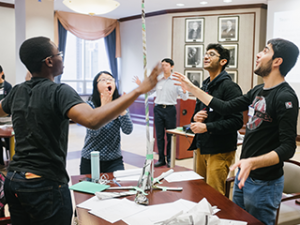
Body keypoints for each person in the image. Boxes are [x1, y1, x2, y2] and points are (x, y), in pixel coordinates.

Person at [0, 36, 162, 225]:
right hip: (44, 185)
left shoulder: (18, 91)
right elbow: (92, 120)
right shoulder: (60, 91)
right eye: (59, 54)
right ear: (49, 61)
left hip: (14, 181)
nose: (62, 57)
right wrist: (138, 91)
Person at [173, 38, 299, 225]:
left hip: (264, 183)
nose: (258, 54)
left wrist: (253, 162)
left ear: (277, 61)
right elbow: (225, 107)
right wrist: (192, 89)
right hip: (244, 175)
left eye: (265, 51)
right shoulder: (258, 90)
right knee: (237, 220)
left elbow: (288, 147)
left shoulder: (286, 97)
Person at [188, 44, 243, 195]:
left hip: (220, 149)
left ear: (223, 61)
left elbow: (237, 122)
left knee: (215, 195)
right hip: (202, 146)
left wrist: (207, 127)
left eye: (211, 54)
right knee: (199, 191)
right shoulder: (205, 85)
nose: (206, 57)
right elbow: (198, 113)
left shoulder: (230, 87)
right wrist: (195, 117)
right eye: (205, 54)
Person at [133, 58, 188, 168]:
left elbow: (185, 98)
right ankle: (161, 159)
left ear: (171, 67)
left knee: (170, 135)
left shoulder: (176, 81)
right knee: (159, 136)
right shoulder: (158, 80)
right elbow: (149, 92)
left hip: (170, 110)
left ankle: (169, 159)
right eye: (162, 65)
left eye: (166, 65)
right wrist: (141, 85)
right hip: (158, 109)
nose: (163, 67)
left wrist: (185, 89)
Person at [80, 71, 133, 174]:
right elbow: (93, 133)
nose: (108, 82)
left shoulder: (119, 104)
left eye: (110, 79)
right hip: (91, 159)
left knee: (117, 189)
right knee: (90, 189)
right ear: (96, 86)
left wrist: (121, 108)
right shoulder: (89, 106)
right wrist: (103, 108)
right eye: (103, 80)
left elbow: (128, 130)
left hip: (114, 159)